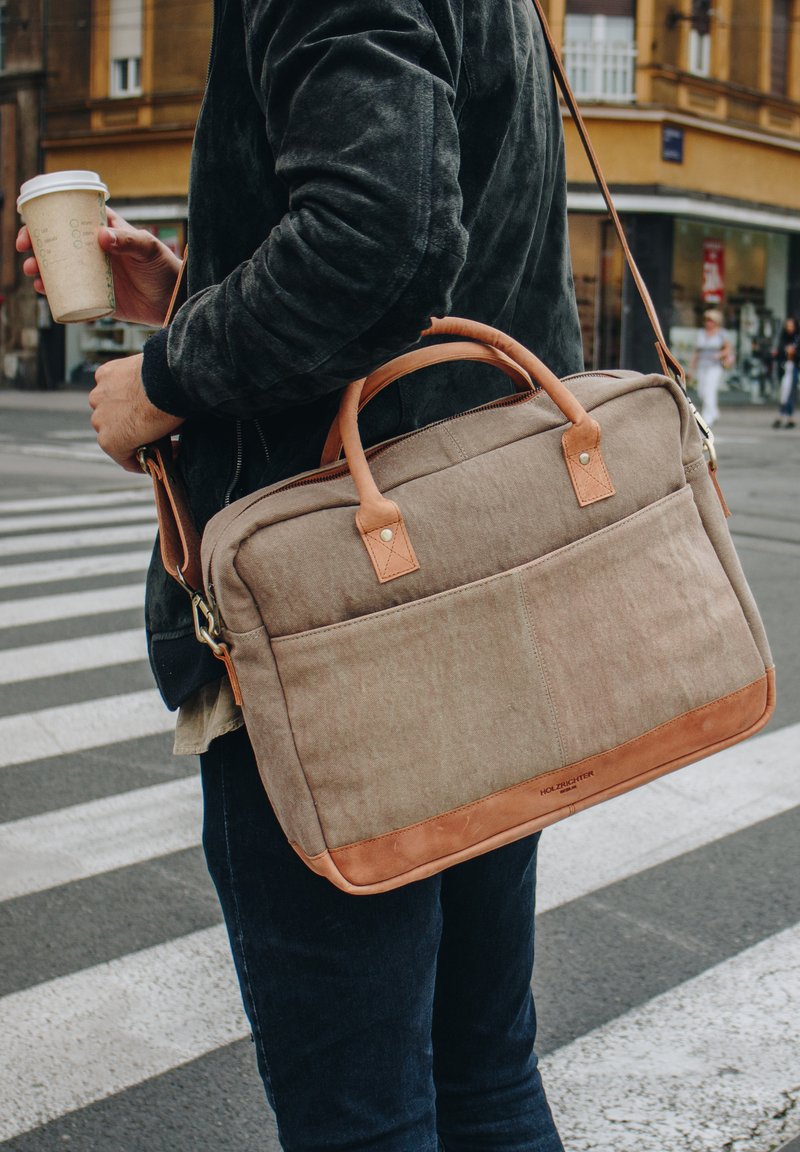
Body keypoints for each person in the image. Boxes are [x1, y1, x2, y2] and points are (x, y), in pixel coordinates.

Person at [18, 3, 582, 1148]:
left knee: (361, 1116)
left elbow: (384, 240)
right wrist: (195, 288)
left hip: (336, 621)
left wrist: (163, 376)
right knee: (479, 1073)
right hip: (481, 570)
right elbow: (432, 255)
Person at [690, 307, 733, 428]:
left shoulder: (721, 334)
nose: (708, 323)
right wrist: (692, 368)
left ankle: (707, 417)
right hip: (702, 365)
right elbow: (696, 352)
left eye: (711, 320)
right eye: (706, 320)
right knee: (702, 391)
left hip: (715, 366)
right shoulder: (701, 333)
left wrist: (719, 354)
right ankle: (714, 412)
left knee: (710, 390)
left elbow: (728, 349)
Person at [772, 317, 798, 429]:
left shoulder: (797, 338)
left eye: (791, 326)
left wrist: (794, 353)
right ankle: (784, 415)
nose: (789, 328)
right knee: (784, 392)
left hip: (794, 367)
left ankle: (787, 415)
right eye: (788, 326)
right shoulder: (783, 338)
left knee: (790, 392)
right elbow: (778, 353)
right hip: (784, 368)